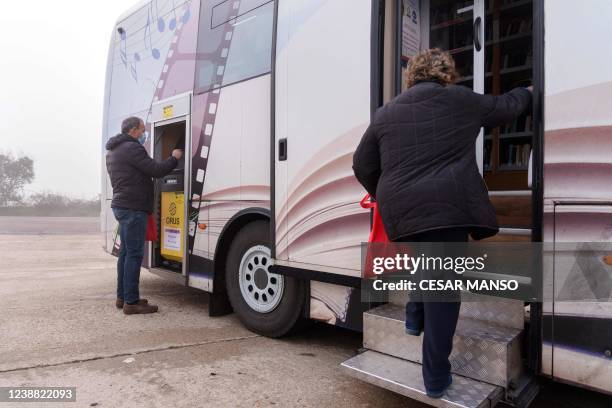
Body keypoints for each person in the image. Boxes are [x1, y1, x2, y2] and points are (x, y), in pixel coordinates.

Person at [352, 48, 532, 398]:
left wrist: (386, 193)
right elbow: (505, 108)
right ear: (446, 73)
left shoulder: (387, 113)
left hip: (402, 209)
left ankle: (414, 318)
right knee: (443, 293)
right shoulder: (461, 100)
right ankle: (435, 378)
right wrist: (527, 92)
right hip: (448, 206)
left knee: (425, 263)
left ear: (412, 76)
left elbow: (362, 163)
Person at [106, 117, 183, 315]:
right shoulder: (132, 148)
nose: (144, 133)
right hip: (133, 208)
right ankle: (131, 302)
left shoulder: (113, 151)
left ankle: (123, 297)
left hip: (122, 206)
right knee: (134, 255)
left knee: (125, 254)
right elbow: (156, 170)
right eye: (142, 130)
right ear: (133, 130)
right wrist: (174, 157)